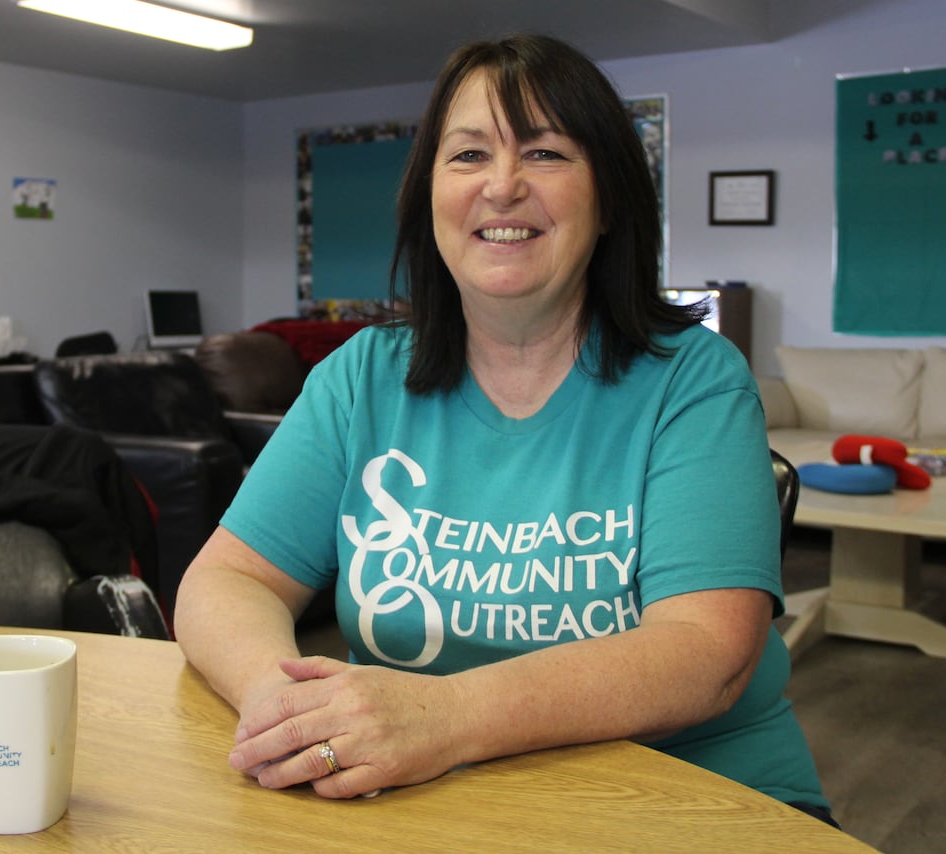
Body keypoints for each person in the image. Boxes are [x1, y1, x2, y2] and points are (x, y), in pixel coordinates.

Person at [174, 34, 833, 823]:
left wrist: (444, 717)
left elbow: (704, 656)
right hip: (423, 804)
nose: (503, 186)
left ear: (610, 196)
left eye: (547, 153)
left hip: (687, 803)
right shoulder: (361, 379)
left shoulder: (695, 379)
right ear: (429, 195)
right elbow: (226, 580)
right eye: (469, 156)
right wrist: (281, 704)